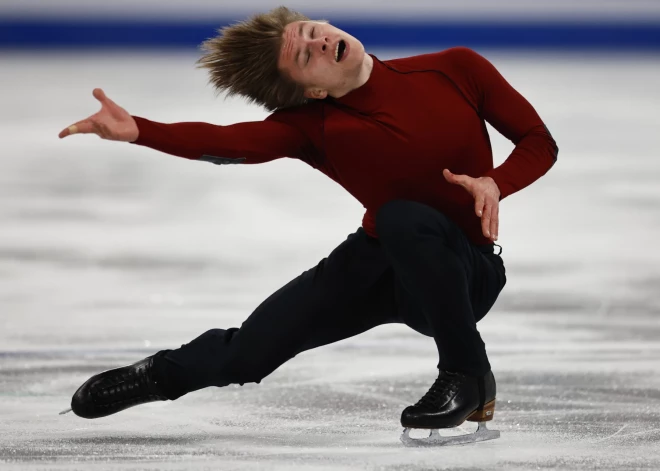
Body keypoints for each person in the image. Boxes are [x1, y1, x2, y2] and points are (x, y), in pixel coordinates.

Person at [58, 6, 557, 443]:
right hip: (375, 264)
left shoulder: (455, 68)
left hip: (466, 272)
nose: (320, 40)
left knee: (403, 217)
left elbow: (538, 140)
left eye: (314, 30)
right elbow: (230, 141)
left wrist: (496, 183)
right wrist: (140, 131)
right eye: (305, 55)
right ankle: (155, 375)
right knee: (250, 352)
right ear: (313, 89)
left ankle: (467, 374)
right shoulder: (314, 128)